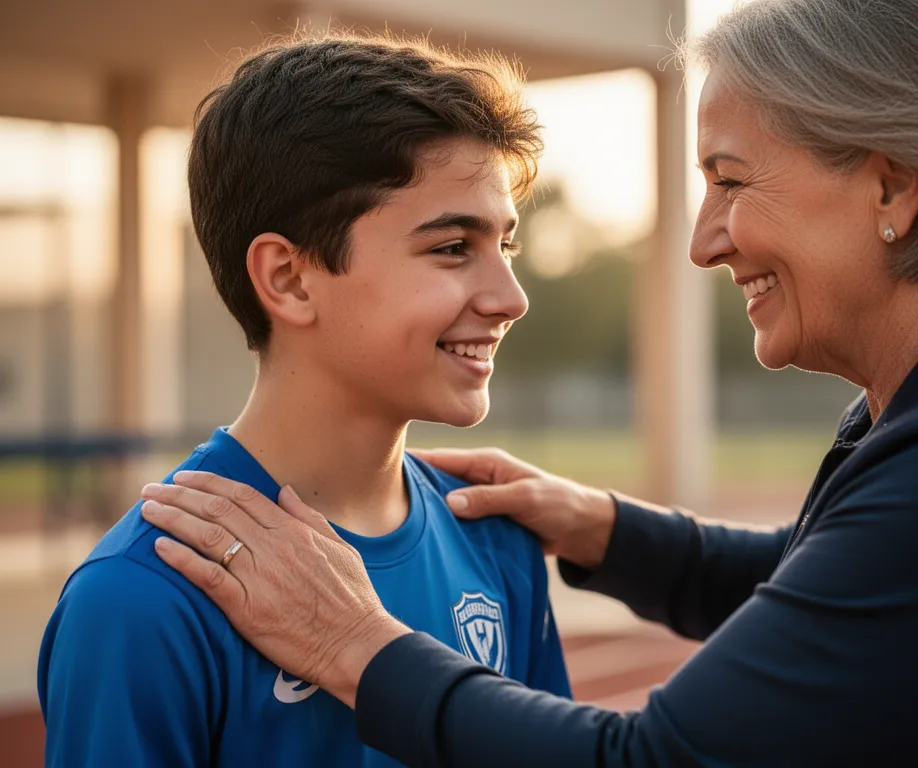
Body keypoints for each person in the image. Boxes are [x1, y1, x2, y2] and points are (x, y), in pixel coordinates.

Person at [139, 0, 918, 765]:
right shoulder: (142, 599)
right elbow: (849, 590)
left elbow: (658, 760)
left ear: (892, 190)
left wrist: (355, 645)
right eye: (451, 247)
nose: (703, 242)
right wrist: (604, 529)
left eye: (730, 182)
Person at [36, 33, 572, 767]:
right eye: (452, 247)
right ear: (288, 279)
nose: (511, 298)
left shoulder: (499, 542)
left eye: (505, 246)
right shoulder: (140, 599)